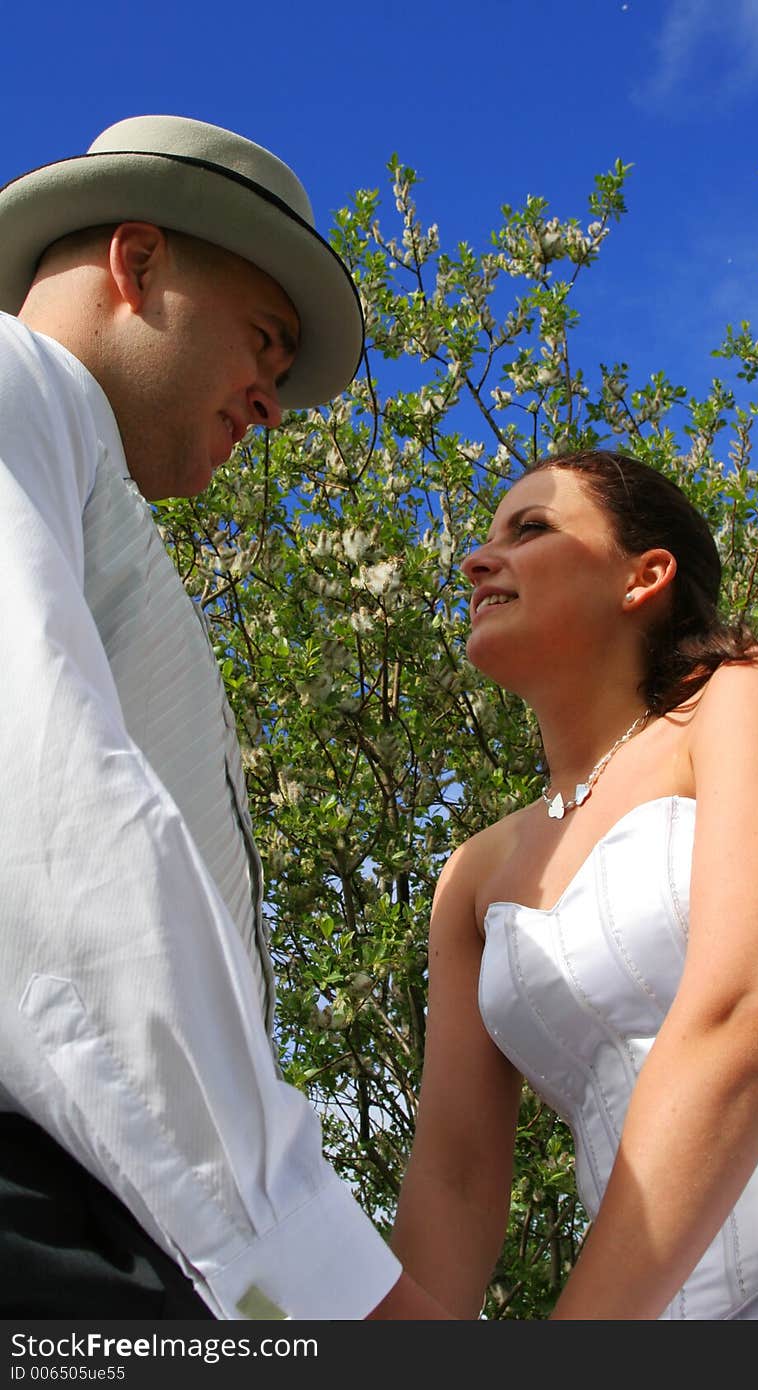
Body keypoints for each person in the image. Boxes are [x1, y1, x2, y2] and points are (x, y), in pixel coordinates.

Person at [0, 114, 450, 1320]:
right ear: (136, 265)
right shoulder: (15, 380)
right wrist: (301, 1268)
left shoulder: (74, 468)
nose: (274, 402)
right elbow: (44, 822)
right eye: (265, 340)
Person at [391, 448, 758, 1319]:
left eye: (530, 528)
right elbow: (455, 1182)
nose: (475, 559)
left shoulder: (750, 697)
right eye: (486, 537)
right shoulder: (472, 876)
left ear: (644, 576)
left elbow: (746, 1031)